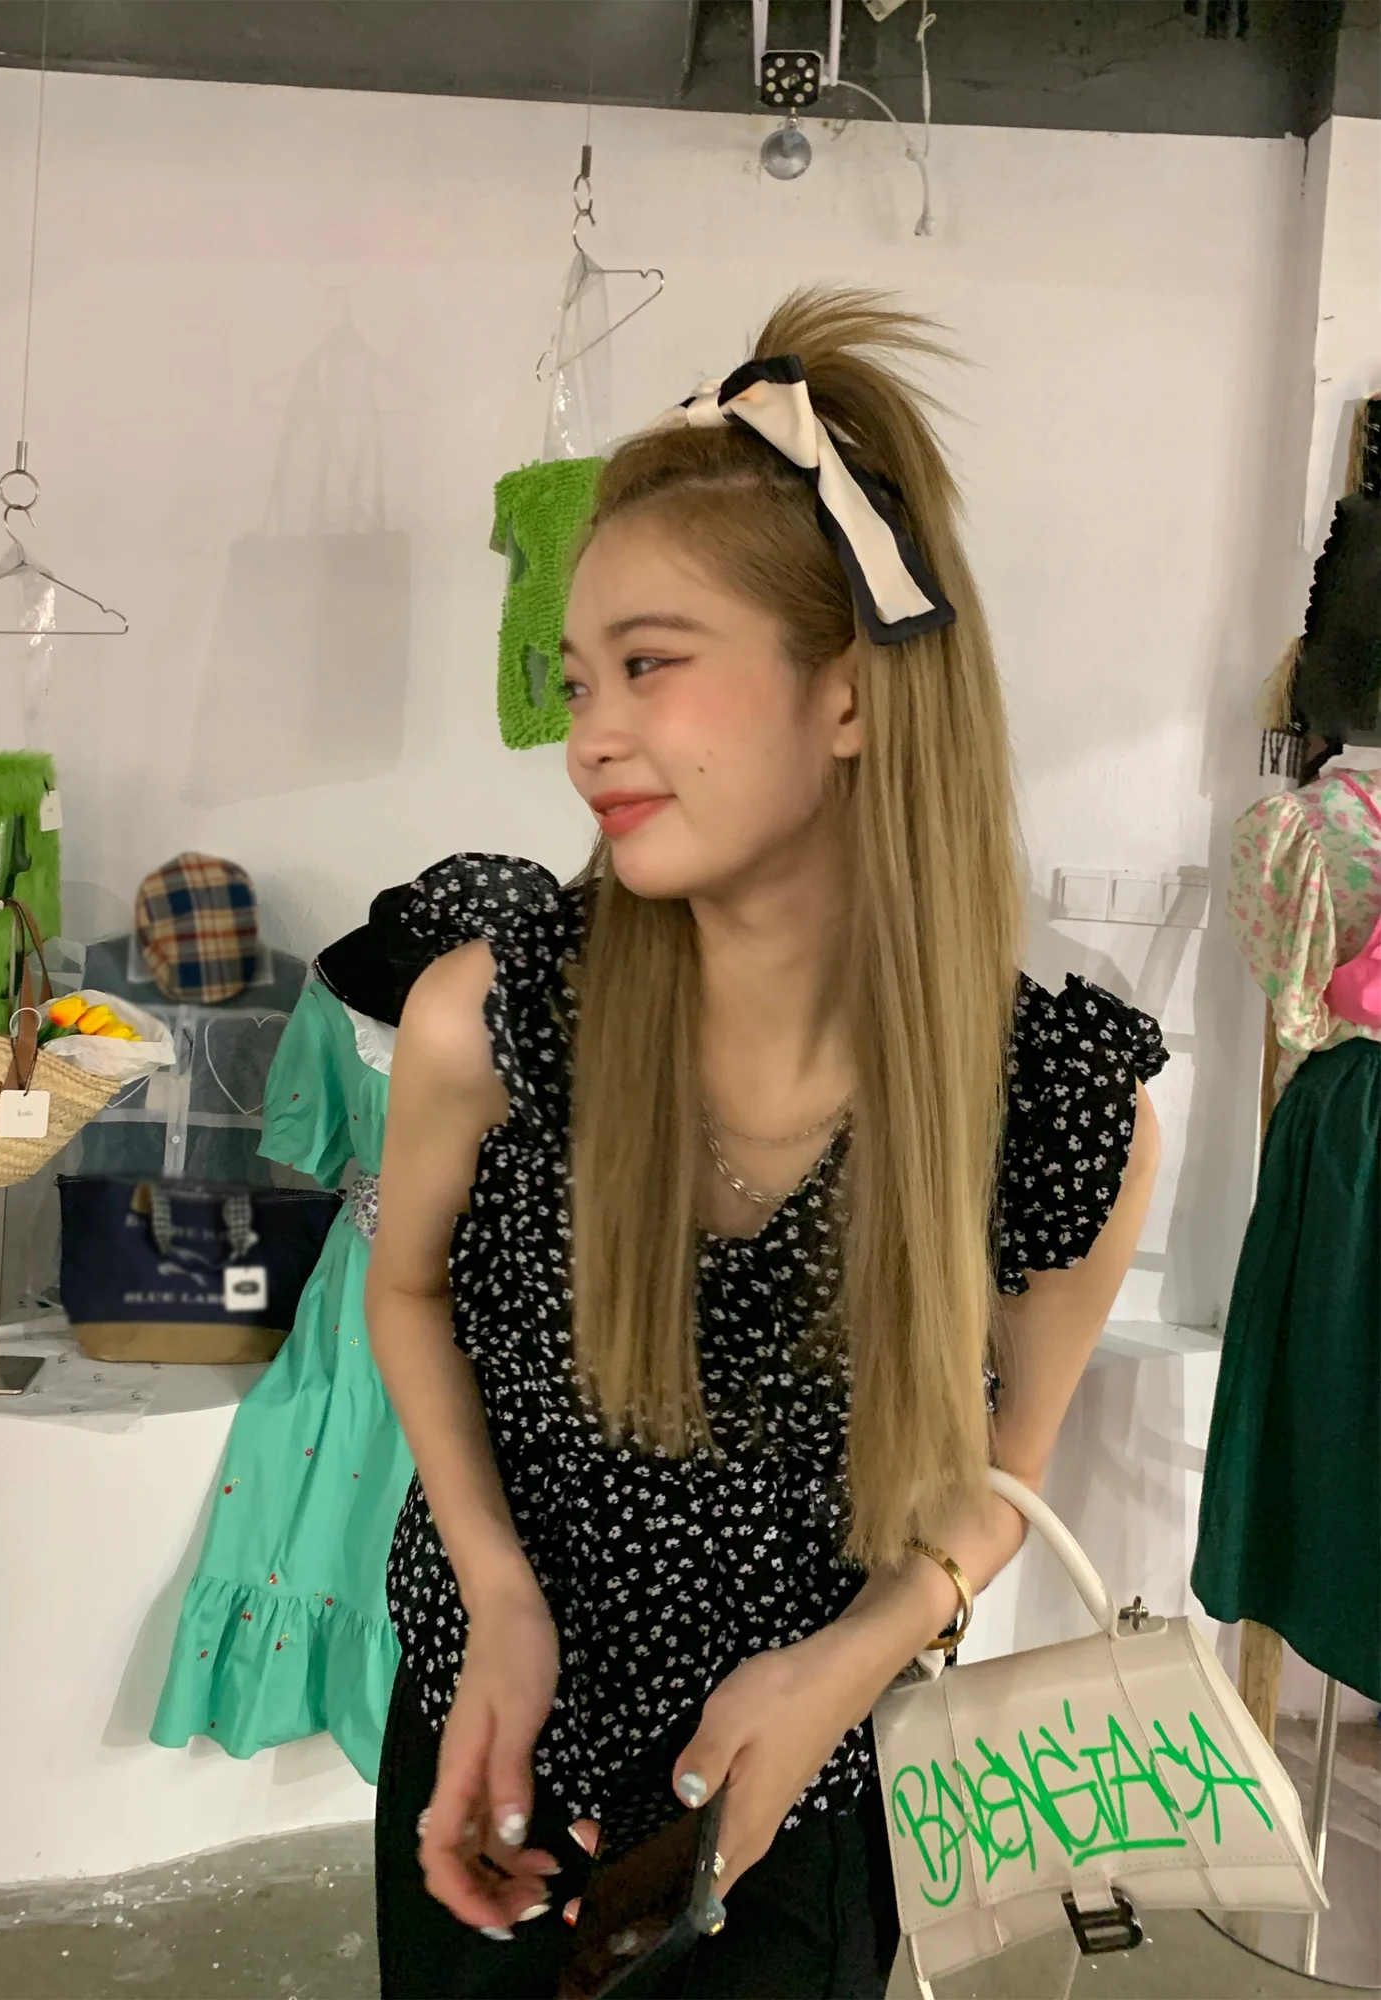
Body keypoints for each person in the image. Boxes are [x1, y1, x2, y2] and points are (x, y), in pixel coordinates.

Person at [366, 289, 1165, 1999]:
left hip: (803, 1799)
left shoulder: (1050, 1109)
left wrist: (843, 1668)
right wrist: (497, 1593)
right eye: (579, 680)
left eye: (652, 665)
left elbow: (1001, 1476)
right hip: (488, 1749)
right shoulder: (494, 1024)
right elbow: (407, 1293)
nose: (590, 737)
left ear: (848, 698)